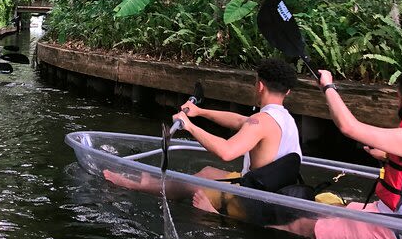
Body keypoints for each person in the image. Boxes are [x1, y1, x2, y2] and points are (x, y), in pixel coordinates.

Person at [104, 58, 302, 216]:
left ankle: (138, 185)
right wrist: (200, 112)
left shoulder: (262, 121)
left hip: (255, 202)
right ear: (288, 91)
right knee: (207, 171)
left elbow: (226, 152)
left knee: (197, 182)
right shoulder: (283, 118)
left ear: (259, 86)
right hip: (272, 191)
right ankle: (152, 185)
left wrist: (189, 126)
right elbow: (242, 121)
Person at [283, 66, 402, 239]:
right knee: (329, 211)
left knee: (298, 225)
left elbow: (348, 127)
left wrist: (328, 86)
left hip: (398, 232)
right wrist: (387, 156)